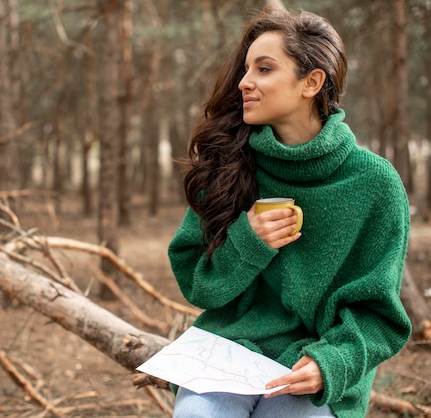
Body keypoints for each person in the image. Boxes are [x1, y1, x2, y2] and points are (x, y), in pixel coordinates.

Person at [168, 7, 411, 418]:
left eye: (264, 69)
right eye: (246, 69)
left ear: (312, 82)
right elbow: (198, 286)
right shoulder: (227, 165)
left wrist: (330, 364)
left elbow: (380, 318)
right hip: (227, 352)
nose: (244, 82)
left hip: (311, 367)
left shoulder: (375, 185)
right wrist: (247, 243)